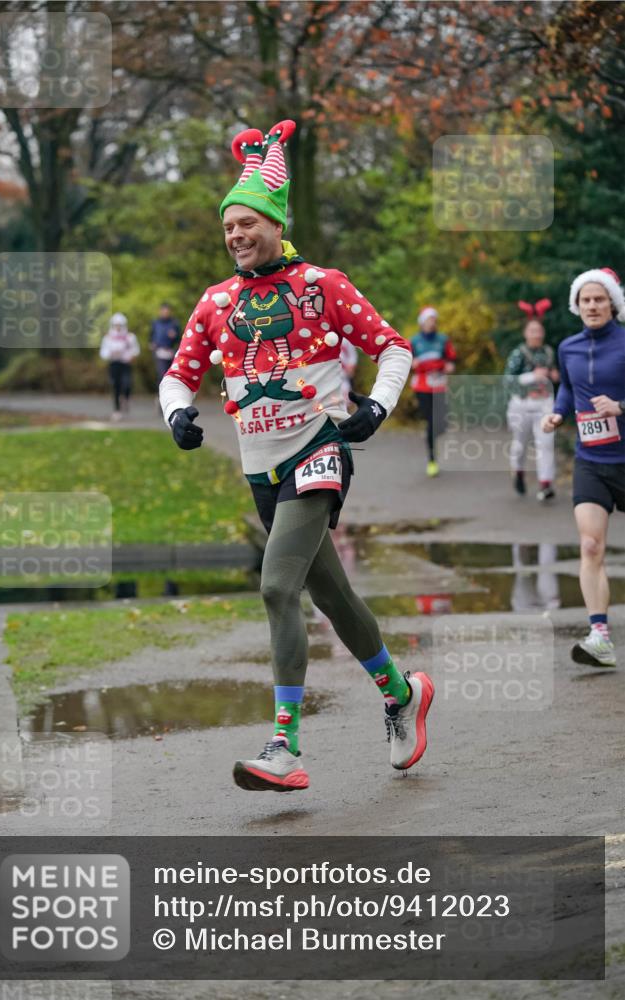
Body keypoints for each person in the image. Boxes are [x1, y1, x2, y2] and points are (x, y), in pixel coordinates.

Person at [159, 119, 434, 791]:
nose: (235, 236)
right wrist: (177, 413)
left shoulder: (321, 284)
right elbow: (177, 373)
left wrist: (376, 406)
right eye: (228, 227)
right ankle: (401, 694)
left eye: (247, 223)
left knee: (277, 586)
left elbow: (394, 346)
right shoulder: (215, 301)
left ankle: (284, 746)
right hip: (261, 469)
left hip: (318, 448)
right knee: (333, 598)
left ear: (276, 224)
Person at [541, 268, 625, 668]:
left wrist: (621, 407)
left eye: (599, 298)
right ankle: (600, 637)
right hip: (591, 458)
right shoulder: (568, 347)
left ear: (613, 303)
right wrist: (558, 414)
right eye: (585, 300)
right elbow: (569, 389)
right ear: (577, 306)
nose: (592, 305)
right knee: (590, 545)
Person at [503, 299, 559, 500]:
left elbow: (556, 376)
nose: (536, 334)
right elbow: (507, 380)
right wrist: (531, 377)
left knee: (546, 443)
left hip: (544, 403)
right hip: (522, 405)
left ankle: (546, 484)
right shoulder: (518, 353)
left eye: (539, 331)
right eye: (532, 331)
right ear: (526, 333)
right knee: (520, 444)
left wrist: (554, 376)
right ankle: (518, 471)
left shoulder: (549, 352)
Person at [410, 307, 457, 477]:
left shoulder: (443, 340)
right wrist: (412, 363)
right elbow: (406, 361)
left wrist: (450, 365)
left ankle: (431, 433)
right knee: (431, 421)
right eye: (429, 320)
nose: (432, 323)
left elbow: (451, 358)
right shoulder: (414, 341)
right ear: (422, 322)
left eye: (434, 320)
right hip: (422, 386)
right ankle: (432, 460)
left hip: (439, 385)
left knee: (442, 423)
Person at [99, 313, 140, 420]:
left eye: (120, 325)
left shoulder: (130, 337)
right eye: (116, 325)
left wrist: (130, 356)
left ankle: (126, 398)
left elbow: (135, 350)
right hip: (114, 364)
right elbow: (103, 353)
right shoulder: (108, 338)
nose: (118, 327)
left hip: (125, 364)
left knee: (127, 384)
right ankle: (117, 410)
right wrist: (111, 354)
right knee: (116, 386)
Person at [149, 303, 181, 384]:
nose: (165, 313)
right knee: (161, 374)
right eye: (164, 311)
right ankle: (160, 394)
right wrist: (152, 343)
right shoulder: (155, 323)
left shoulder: (174, 323)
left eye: (167, 311)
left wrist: (175, 336)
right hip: (159, 351)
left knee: (171, 375)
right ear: (160, 311)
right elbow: (151, 335)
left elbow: (180, 338)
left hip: (171, 351)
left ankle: (170, 394)